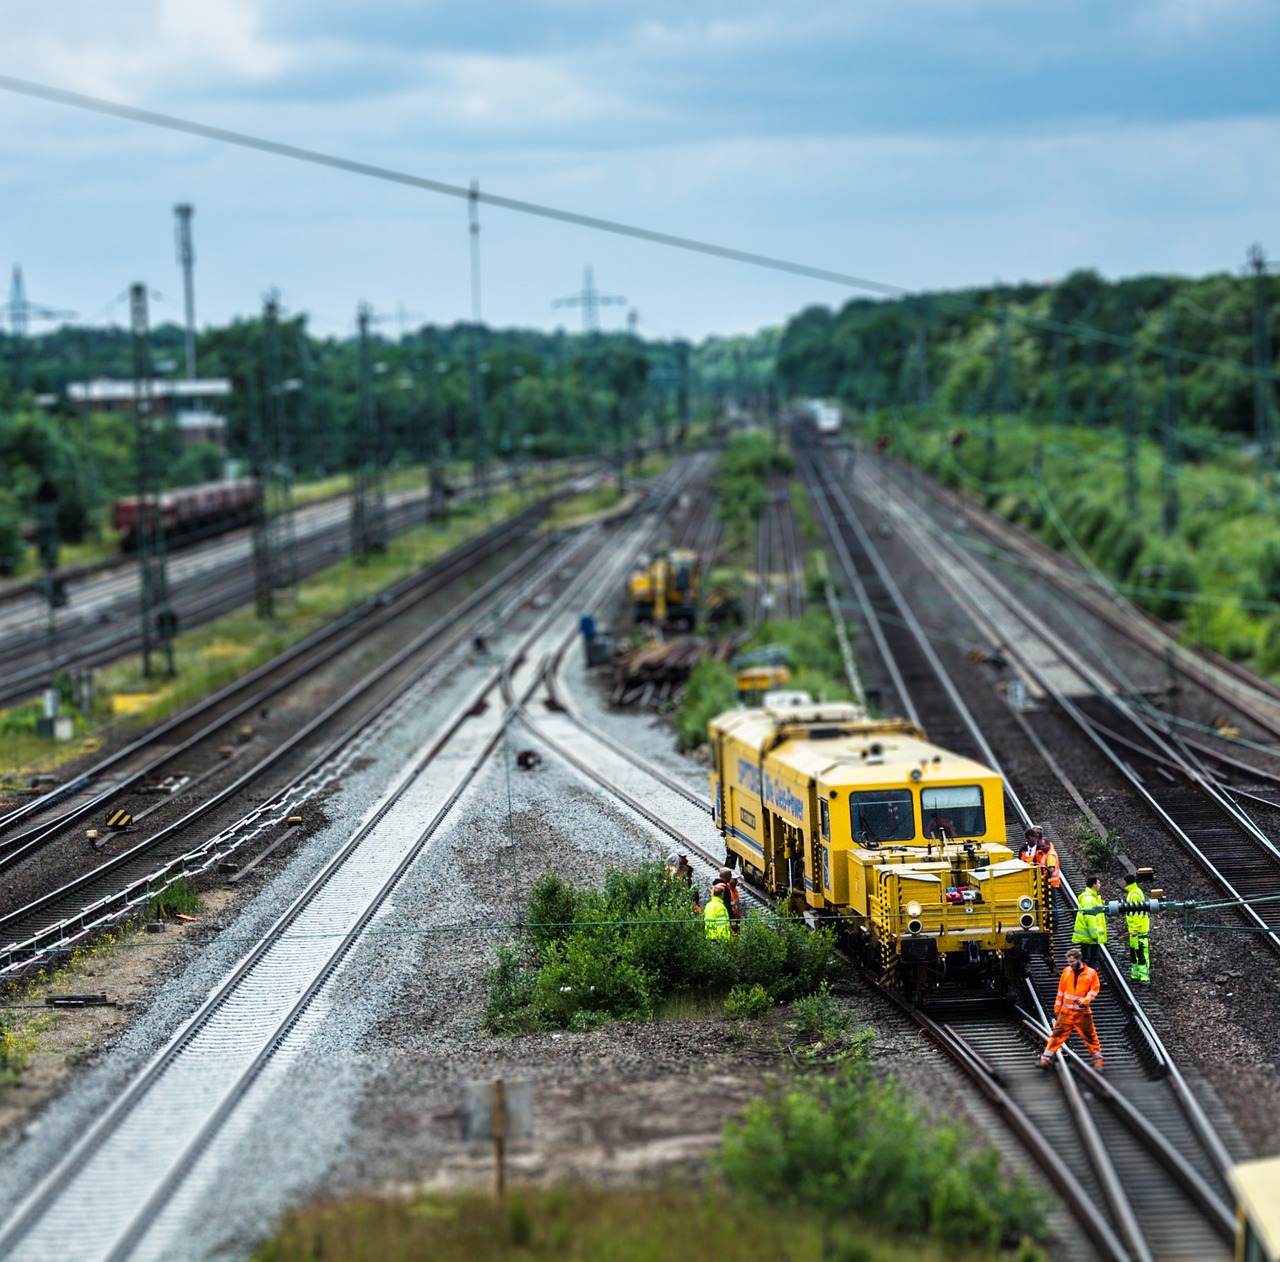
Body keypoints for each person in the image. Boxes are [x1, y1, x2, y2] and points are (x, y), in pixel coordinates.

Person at [1040, 947, 1104, 1071]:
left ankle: (1097, 1060)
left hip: (1082, 1013)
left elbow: (1095, 989)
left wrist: (1086, 1000)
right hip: (1066, 1012)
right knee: (1056, 1035)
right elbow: (1061, 991)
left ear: (1079, 959)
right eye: (1069, 962)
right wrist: (1057, 1009)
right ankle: (1045, 1059)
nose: (1070, 964)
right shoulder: (1066, 972)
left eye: (1072, 962)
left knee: (1090, 1036)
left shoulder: (1091, 973)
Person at [1072, 875, 1107, 967]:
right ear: (1094, 885)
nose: (1100, 885)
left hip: (1090, 937)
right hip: (1089, 936)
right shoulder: (1089, 899)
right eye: (1098, 883)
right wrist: (1094, 934)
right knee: (1088, 959)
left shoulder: (1093, 898)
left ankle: (1091, 978)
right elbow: (1090, 918)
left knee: (1092, 958)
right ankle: (1086, 979)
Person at [1123, 876, 1152, 985]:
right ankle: (1136, 975)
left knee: (1140, 953)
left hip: (1138, 930)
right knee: (1135, 952)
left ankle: (1144, 977)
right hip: (1135, 930)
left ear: (1126, 882)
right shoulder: (1134, 891)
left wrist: (1135, 929)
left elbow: (1137, 913)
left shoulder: (1134, 894)